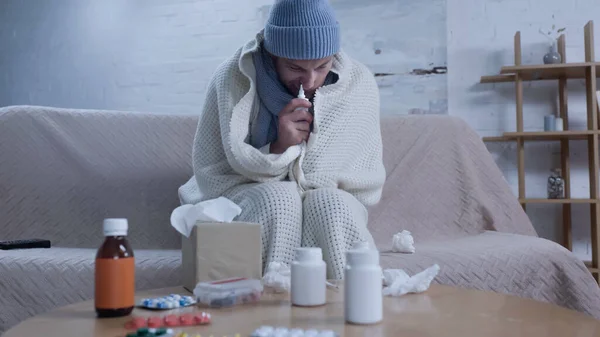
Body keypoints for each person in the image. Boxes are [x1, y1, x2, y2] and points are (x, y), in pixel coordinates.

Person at [178, 0, 386, 279]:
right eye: (295, 68)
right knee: (278, 199)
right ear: (272, 53)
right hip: (245, 193)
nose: (310, 80)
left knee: (332, 204)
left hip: (330, 193)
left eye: (322, 66)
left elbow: (362, 172)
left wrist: (312, 173)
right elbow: (214, 171)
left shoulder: (357, 83)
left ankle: (350, 306)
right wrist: (280, 147)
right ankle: (269, 304)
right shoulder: (232, 77)